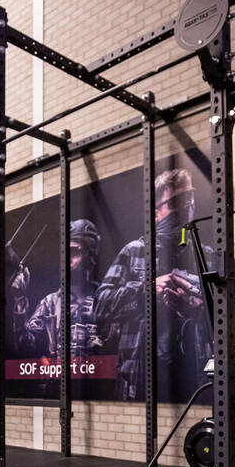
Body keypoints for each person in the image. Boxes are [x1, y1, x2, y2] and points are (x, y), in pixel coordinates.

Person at [95, 168, 212, 401]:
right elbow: (100, 307)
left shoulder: (205, 256)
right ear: (157, 211)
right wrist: (144, 290)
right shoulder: (134, 252)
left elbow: (227, 316)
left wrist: (197, 304)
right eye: (176, 202)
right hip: (142, 381)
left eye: (189, 198)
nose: (185, 207)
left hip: (195, 378)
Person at [13, 219, 105, 359]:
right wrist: (19, 301)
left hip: (97, 373)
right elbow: (26, 348)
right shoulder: (50, 303)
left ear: (90, 253)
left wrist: (100, 319)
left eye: (73, 251)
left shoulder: (106, 300)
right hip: (58, 373)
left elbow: (120, 348)